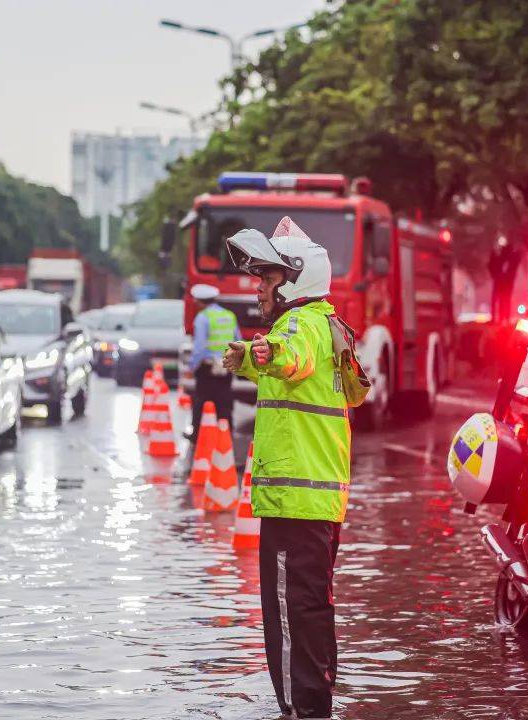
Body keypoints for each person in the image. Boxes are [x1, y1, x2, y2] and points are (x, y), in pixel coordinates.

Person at [221, 217, 350, 720]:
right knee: (312, 611)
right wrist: (252, 356)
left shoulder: (298, 327)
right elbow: (291, 367)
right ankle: (315, 706)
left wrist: (262, 350)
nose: (257, 286)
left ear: (294, 280)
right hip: (316, 503)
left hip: (294, 507)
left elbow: (289, 357)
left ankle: (300, 712)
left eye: (266, 277)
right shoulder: (325, 324)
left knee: (292, 618)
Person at [188, 283, 240, 439]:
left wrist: (192, 367)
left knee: (202, 401)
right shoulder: (229, 315)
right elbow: (238, 340)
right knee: (224, 400)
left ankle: (198, 435)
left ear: (198, 301)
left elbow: (199, 347)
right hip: (226, 365)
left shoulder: (203, 317)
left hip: (207, 368)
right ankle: (225, 433)